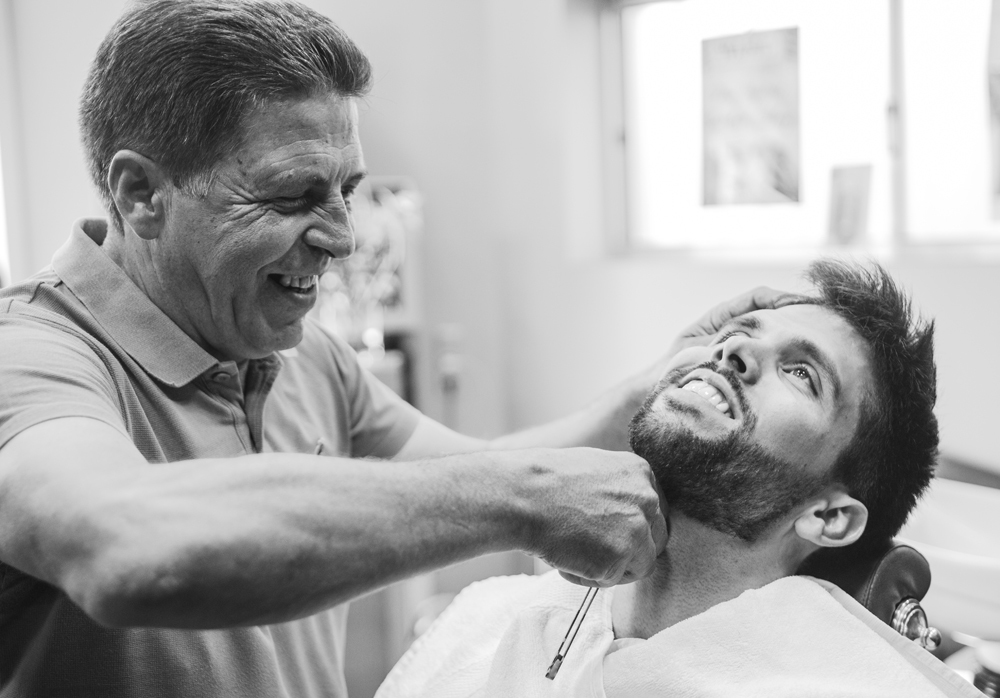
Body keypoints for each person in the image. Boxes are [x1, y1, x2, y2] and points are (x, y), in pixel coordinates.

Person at [0, 2, 796, 696]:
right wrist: (525, 499)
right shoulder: (31, 357)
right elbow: (123, 546)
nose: (343, 239)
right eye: (294, 195)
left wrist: (654, 389)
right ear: (142, 194)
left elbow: (473, 468)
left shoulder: (301, 354)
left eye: (346, 190)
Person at [375, 260, 980, 698]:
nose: (730, 353)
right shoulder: (489, 616)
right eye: (736, 335)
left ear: (829, 516)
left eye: (801, 373)